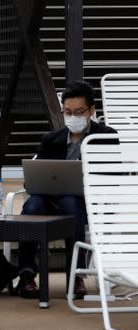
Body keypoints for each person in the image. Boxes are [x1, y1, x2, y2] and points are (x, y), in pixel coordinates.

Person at [15, 81, 117, 299]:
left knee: (71, 201)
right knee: (33, 204)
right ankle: (26, 275)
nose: (73, 117)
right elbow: (38, 174)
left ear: (91, 110)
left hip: (87, 204)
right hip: (50, 200)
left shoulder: (105, 137)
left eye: (79, 112)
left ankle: (76, 275)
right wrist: (33, 181)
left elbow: (112, 178)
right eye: (68, 112)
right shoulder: (51, 139)